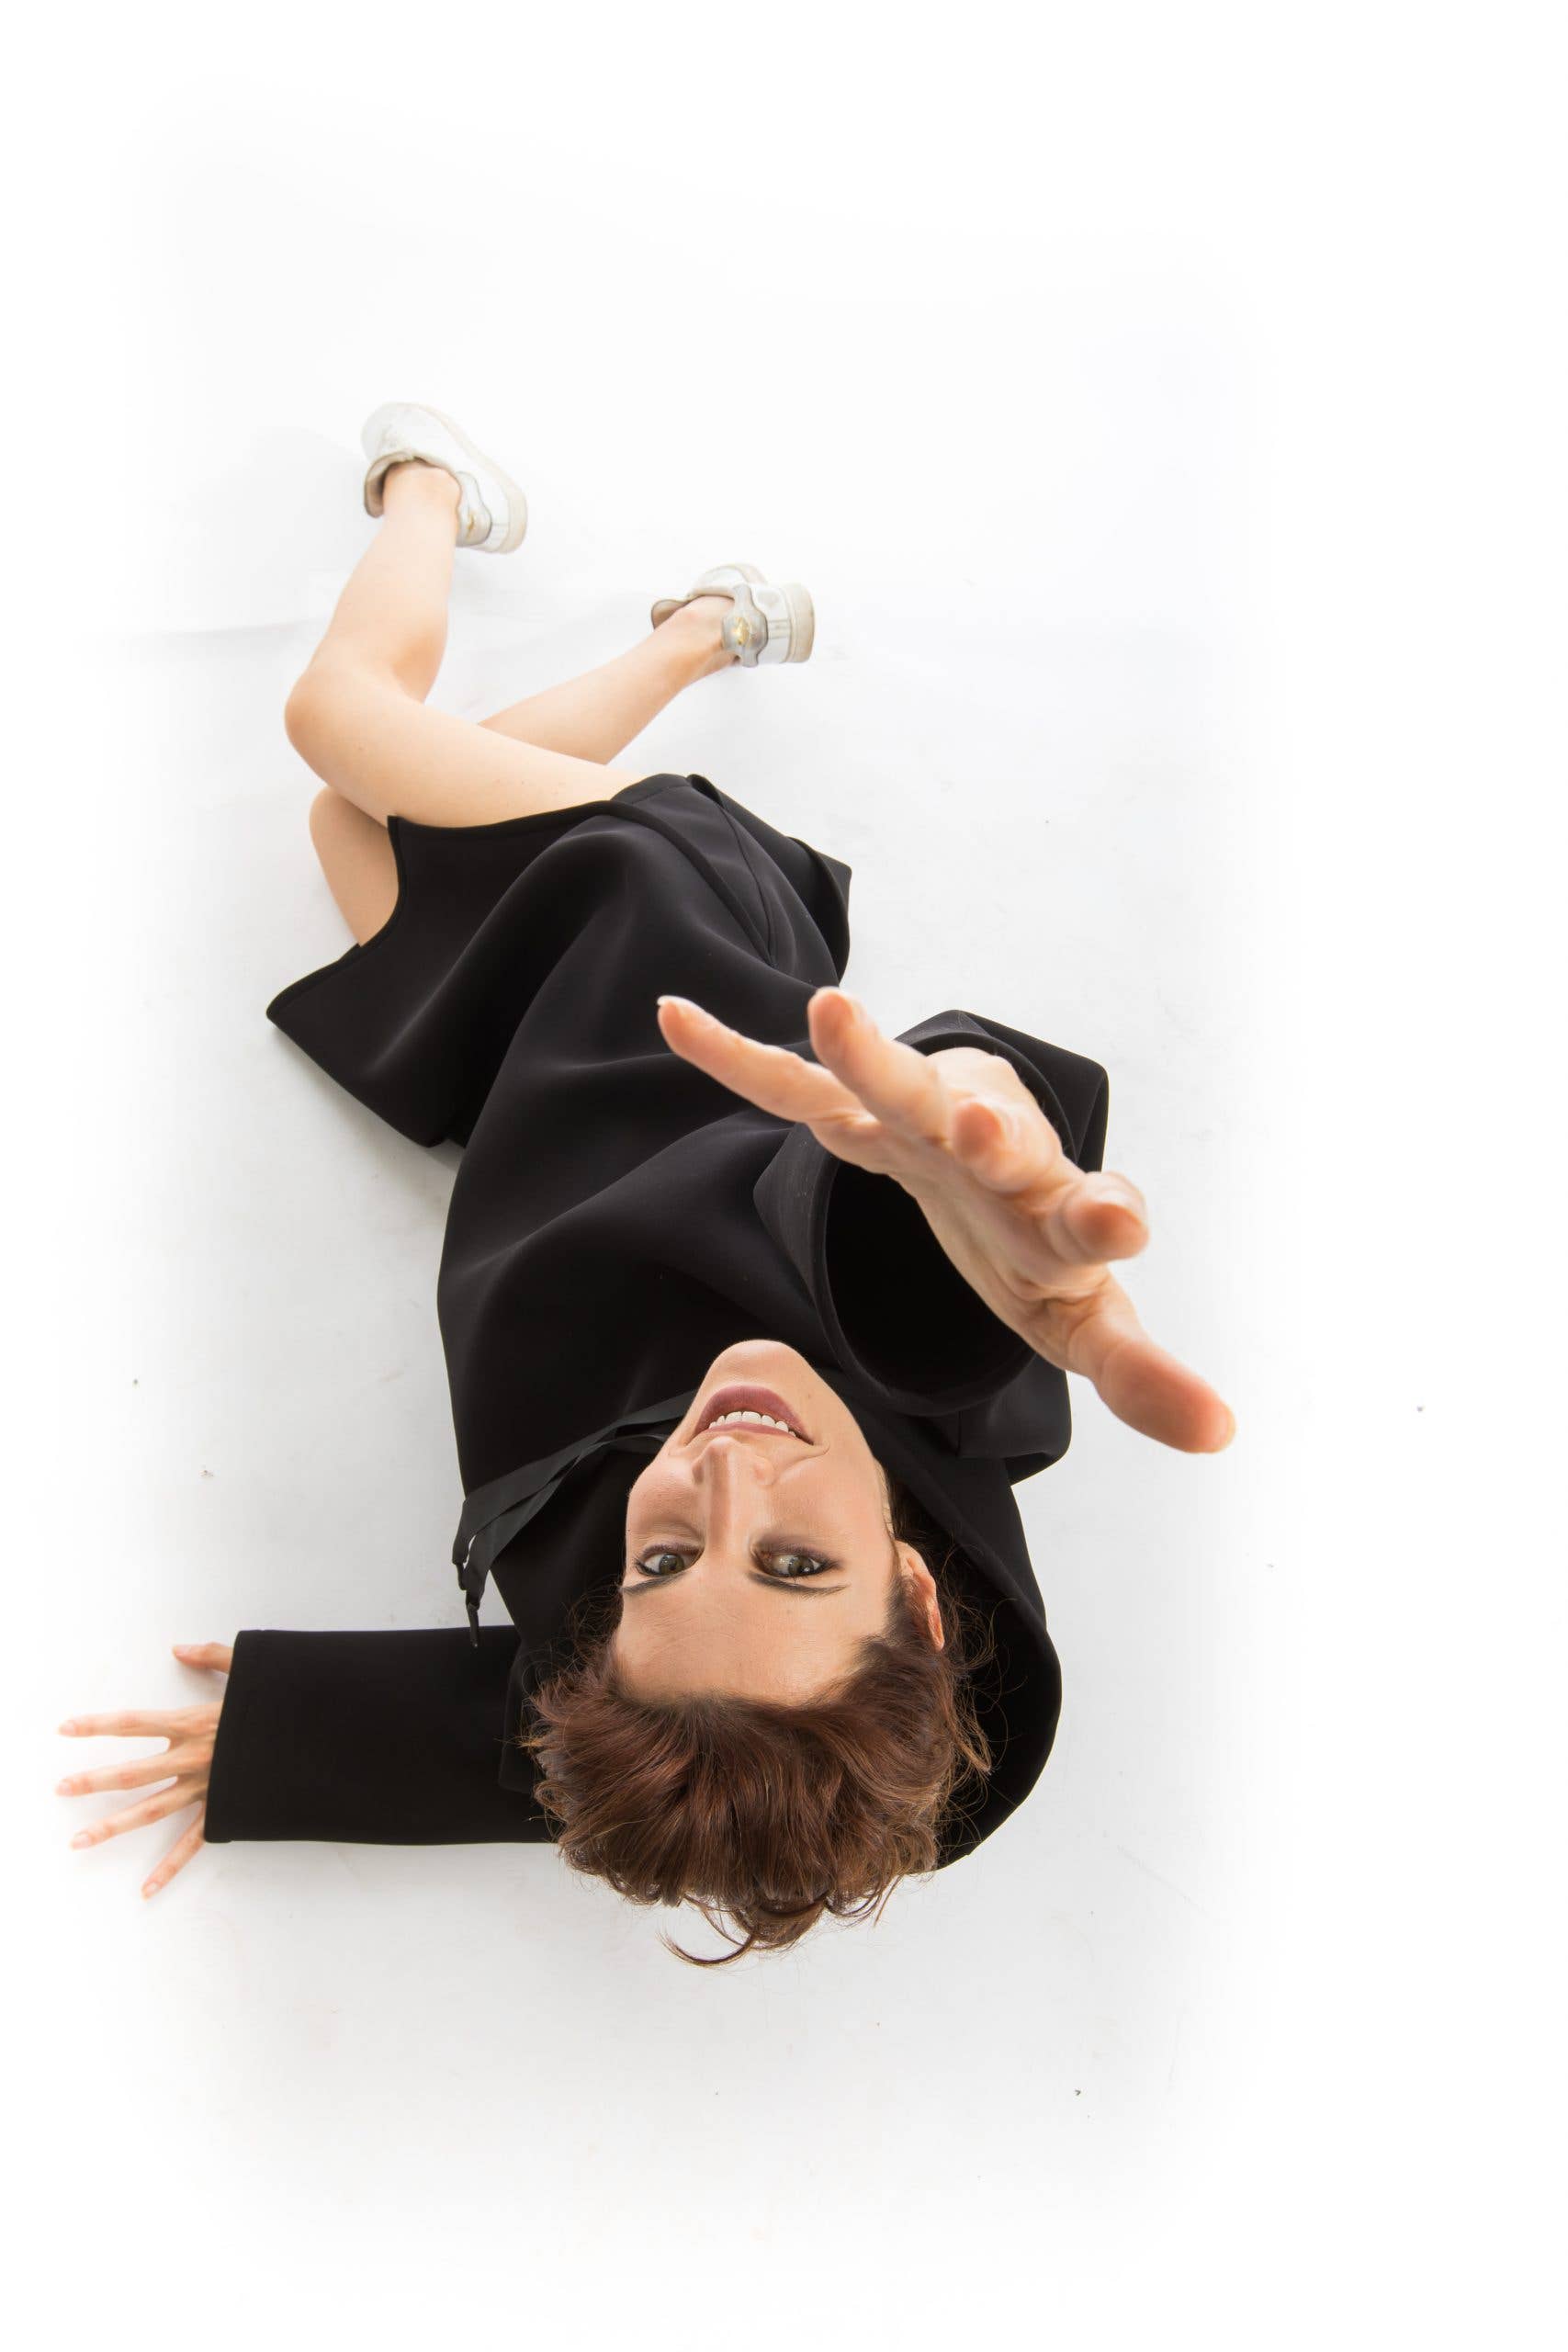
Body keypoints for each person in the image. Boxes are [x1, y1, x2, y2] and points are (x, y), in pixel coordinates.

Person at [55, 403, 1235, 1962]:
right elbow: (903, 1258)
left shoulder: (704, 1670)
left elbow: (589, 1732)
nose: (724, 1475)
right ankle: (430, 485)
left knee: (351, 822)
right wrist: (973, 1113)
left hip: (530, 1085)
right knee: (333, 721)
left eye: (665, 1561)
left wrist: (286, 1744)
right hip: (659, 936)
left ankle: (702, 629)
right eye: (796, 1563)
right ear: (919, 1593)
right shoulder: (930, 1386)